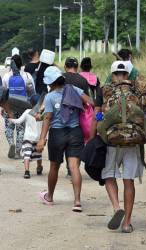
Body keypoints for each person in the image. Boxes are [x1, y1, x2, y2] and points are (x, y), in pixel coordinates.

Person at [92, 61, 146, 233]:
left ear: (113, 75)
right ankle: (127, 223)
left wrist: (93, 138)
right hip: (134, 141)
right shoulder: (138, 92)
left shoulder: (105, 90)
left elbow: (97, 116)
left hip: (112, 141)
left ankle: (116, 208)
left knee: (109, 176)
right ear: (127, 75)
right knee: (129, 182)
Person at [36, 66, 91, 212]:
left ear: (51, 82)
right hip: (75, 132)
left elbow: (47, 118)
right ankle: (77, 201)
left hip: (57, 134)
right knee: (74, 167)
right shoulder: (73, 89)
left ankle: (50, 197)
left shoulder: (50, 97)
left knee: (54, 166)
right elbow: (90, 102)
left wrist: (42, 139)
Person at [2, 54, 35, 159]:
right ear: (21, 64)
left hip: (9, 105)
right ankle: (17, 151)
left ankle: (11, 142)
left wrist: (3, 107)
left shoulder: (6, 77)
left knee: (9, 127)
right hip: (23, 106)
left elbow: (2, 93)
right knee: (21, 129)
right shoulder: (27, 76)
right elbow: (32, 92)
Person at [9, 96, 43, 179]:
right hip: (38, 137)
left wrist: (11, 119)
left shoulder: (27, 111)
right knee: (38, 154)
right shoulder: (42, 113)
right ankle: (39, 168)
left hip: (28, 137)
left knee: (26, 154)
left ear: (31, 103)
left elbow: (19, 121)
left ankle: (27, 171)